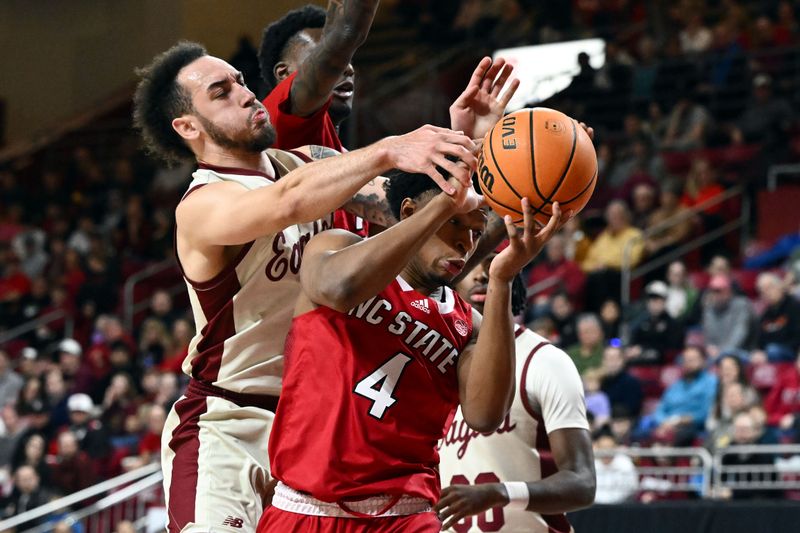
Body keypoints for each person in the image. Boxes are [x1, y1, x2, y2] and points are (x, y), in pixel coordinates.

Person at [133, 40, 488, 532]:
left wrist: (463, 142)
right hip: (233, 419)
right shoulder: (202, 204)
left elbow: (411, 212)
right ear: (188, 127)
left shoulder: (305, 165)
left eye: (239, 80)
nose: (245, 94)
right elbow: (286, 204)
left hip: (316, 424)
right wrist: (388, 149)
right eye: (220, 92)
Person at [260, 172, 566, 531]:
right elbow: (337, 288)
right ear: (410, 211)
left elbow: (486, 415)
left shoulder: (469, 323)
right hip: (305, 506)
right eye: (454, 222)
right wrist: (444, 202)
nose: (464, 242)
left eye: (474, 231)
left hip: (405, 513)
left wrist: (502, 280)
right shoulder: (339, 246)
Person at [436, 251, 595, 532]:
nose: (482, 275)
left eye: (494, 264)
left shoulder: (546, 360)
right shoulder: (433, 359)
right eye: (472, 264)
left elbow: (582, 484)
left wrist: (501, 493)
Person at [259, 2, 379, 236]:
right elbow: (346, 35)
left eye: (350, 58)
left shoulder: (351, 164)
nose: (348, 68)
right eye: (320, 55)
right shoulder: (277, 121)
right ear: (284, 75)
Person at [643, 345, 718, 446]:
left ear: (703, 361)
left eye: (693, 360)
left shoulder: (711, 382)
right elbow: (660, 409)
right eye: (686, 360)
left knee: (677, 435)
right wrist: (665, 422)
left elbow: (706, 412)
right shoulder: (675, 385)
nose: (688, 364)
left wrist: (681, 420)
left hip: (692, 427)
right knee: (641, 434)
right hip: (668, 424)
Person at [626, 281, 684, 365]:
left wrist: (643, 348)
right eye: (651, 300)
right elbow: (634, 339)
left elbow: (671, 347)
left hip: (663, 362)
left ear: (665, 302)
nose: (654, 303)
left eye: (658, 300)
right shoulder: (642, 321)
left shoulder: (673, 323)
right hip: (640, 358)